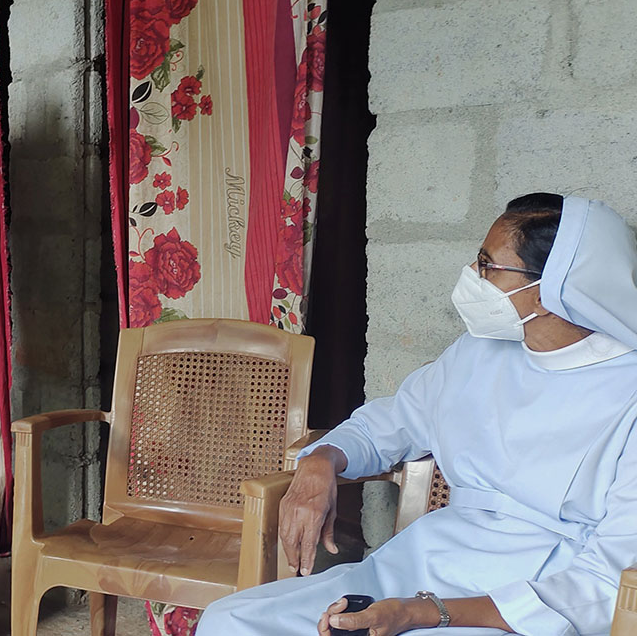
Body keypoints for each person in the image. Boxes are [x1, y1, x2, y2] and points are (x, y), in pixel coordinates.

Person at [198, 193, 637, 636]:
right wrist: (321, 460)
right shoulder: (476, 352)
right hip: (422, 564)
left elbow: (606, 581)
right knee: (229, 621)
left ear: (549, 290)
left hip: (528, 601)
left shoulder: (629, 396)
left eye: (487, 265)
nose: (472, 275)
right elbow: (386, 426)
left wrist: (420, 613)